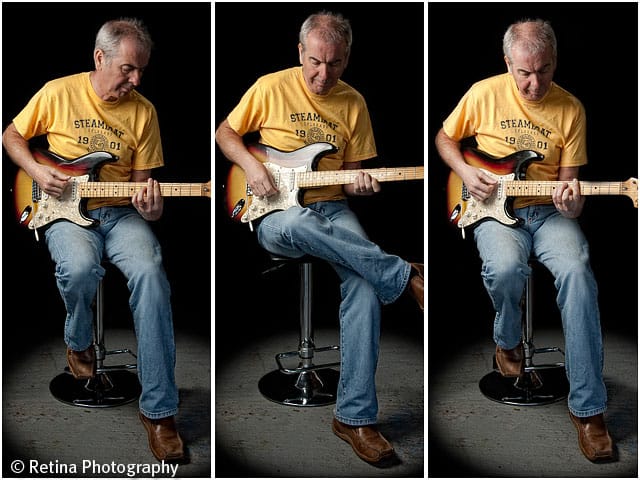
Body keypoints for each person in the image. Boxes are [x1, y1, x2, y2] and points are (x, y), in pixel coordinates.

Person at [215, 10, 424, 465]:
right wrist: (252, 167)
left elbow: (351, 178)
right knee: (299, 224)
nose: (322, 74)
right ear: (299, 52)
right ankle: (404, 273)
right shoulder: (271, 86)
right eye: (314, 61)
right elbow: (224, 133)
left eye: (333, 64)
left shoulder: (354, 102)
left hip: (332, 206)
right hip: (275, 214)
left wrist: (361, 184)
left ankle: (354, 419)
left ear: (347, 58)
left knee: (366, 285)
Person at [2, 18, 185, 463]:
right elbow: (11, 135)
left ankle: (160, 413)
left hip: (119, 213)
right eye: (127, 69)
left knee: (151, 274)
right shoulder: (58, 91)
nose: (136, 79)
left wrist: (151, 206)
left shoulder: (144, 111)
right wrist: (39, 170)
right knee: (81, 267)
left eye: (141, 70)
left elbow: (143, 190)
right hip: (62, 210)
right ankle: (79, 339)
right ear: (99, 57)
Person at [435, 18, 614, 462]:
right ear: (507, 64)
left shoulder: (571, 108)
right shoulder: (483, 92)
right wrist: (463, 171)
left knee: (577, 272)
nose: (535, 83)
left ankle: (589, 410)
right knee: (506, 267)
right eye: (524, 72)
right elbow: (443, 138)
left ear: (555, 63)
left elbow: (571, 193)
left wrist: (571, 203)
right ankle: (508, 340)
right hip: (494, 211)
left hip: (548, 212)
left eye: (545, 70)